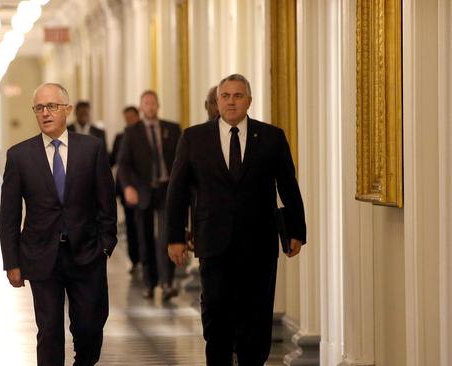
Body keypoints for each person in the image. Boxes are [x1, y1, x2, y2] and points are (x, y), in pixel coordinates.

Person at [166, 73, 307, 365]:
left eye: (238, 96)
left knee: (255, 316)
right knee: (216, 315)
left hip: (259, 243)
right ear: (217, 101)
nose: (231, 102)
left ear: (249, 101)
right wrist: (175, 237)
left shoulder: (271, 137)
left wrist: (296, 230)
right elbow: (177, 191)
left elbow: (288, 186)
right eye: (226, 96)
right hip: (213, 242)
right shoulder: (194, 138)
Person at [0, 82, 116, 366]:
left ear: (68, 110)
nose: (45, 113)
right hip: (41, 257)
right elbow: (9, 215)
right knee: (49, 332)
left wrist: (105, 246)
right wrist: (12, 262)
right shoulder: (20, 155)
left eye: (52, 106)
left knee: (88, 328)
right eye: (39, 108)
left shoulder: (92, 149)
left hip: (87, 254)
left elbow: (106, 204)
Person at [117, 90, 181, 300]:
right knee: (144, 238)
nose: (150, 106)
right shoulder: (132, 132)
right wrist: (128, 187)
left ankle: (167, 282)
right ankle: (149, 282)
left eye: (153, 102)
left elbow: (181, 160)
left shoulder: (172, 129)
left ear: (158, 105)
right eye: (146, 103)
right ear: (141, 107)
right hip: (143, 190)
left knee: (166, 237)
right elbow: (124, 164)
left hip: (166, 190)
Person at [109, 106, 141, 273]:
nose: (129, 120)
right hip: (125, 189)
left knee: (143, 226)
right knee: (131, 225)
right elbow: (113, 160)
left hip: (144, 190)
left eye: (131, 116)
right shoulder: (120, 137)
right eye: (126, 117)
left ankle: (145, 258)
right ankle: (135, 260)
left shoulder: (146, 135)